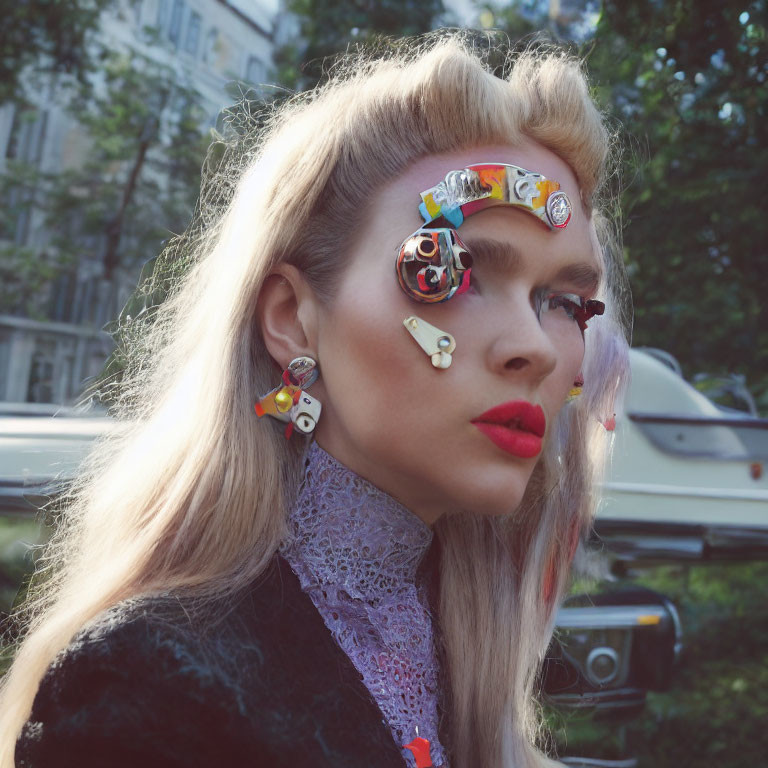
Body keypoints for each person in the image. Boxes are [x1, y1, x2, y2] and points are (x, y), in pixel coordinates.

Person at [0, 33, 630, 768]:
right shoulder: (148, 683)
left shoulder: (467, 661)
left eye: (563, 303)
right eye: (449, 270)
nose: (539, 348)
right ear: (293, 320)